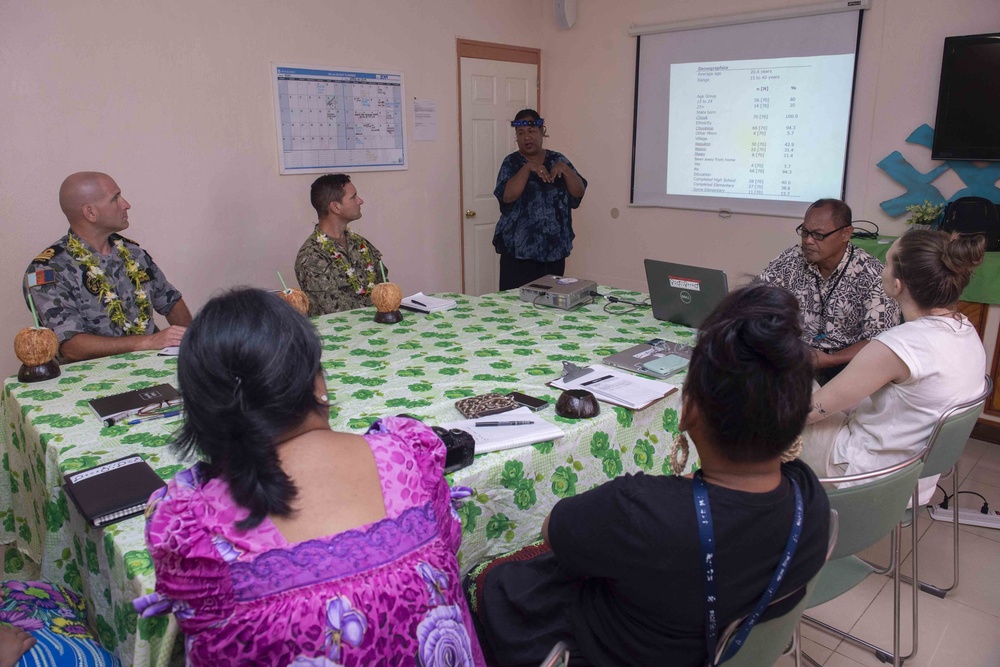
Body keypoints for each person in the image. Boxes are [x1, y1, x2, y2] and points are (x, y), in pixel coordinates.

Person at [466, 285, 830, 666]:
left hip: (603, 649)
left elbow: (551, 530)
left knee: (488, 579)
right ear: (792, 420)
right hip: (708, 645)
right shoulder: (810, 497)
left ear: (687, 411)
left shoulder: (637, 511)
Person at [141, 288, 485, 667]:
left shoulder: (193, 522)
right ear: (316, 382)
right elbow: (447, 544)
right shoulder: (407, 457)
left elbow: (196, 618)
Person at [801, 230, 987, 504]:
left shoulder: (897, 347)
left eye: (886, 264)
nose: (882, 271)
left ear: (898, 285)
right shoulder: (965, 330)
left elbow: (809, 414)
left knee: (775, 389)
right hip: (915, 475)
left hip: (864, 475)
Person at [22, 172, 191, 362]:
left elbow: (171, 301)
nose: (126, 204)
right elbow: (70, 347)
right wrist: (146, 342)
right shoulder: (48, 270)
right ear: (90, 213)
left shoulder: (132, 252)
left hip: (151, 368)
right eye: (115, 198)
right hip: (92, 382)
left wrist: (195, 346)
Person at [754, 198, 900, 383]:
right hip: (795, 356)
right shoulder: (792, 259)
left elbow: (881, 340)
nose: (808, 241)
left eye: (818, 235)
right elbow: (755, 299)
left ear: (846, 234)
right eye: (805, 232)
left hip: (846, 364)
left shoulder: (871, 273)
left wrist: (831, 360)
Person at [493, 109, 587, 291]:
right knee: (514, 307)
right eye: (521, 134)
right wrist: (527, 168)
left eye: (531, 131)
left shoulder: (558, 159)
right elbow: (507, 196)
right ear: (517, 138)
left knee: (549, 307)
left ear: (542, 132)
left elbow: (579, 192)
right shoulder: (512, 163)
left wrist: (566, 170)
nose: (527, 137)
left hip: (554, 253)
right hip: (518, 255)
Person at [295, 174, 388, 316]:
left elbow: (384, 288)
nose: (360, 201)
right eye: (353, 197)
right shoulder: (311, 255)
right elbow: (333, 309)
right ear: (336, 207)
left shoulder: (361, 244)